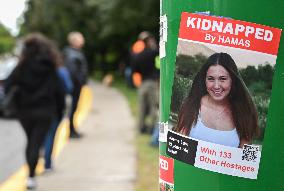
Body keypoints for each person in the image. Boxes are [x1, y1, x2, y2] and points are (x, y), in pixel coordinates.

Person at [4, 33, 64, 190]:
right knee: (36, 143)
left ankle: (31, 176)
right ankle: (31, 175)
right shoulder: (50, 66)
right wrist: (60, 111)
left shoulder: (21, 66)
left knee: (31, 141)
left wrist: (19, 95)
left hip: (25, 111)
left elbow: (8, 85)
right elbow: (59, 91)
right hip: (45, 111)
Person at [175, 52, 259, 148]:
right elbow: (179, 149)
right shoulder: (191, 106)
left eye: (222, 79)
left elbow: (245, 159)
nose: (216, 86)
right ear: (204, 80)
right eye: (211, 79)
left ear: (233, 80)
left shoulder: (244, 114)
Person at [43, 64, 73, 172]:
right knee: (50, 136)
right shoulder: (60, 71)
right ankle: (47, 163)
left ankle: (39, 155)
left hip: (35, 109)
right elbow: (68, 88)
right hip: (53, 108)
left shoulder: (29, 68)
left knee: (38, 135)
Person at [132, 31, 159, 134]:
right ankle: (151, 128)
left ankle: (141, 127)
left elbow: (135, 70)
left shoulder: (138, 55)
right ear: (149, 41)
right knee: (153, 106)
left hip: (142, 84)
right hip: (152, 83)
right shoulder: (153, 52)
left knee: (142, 107)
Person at [63, 31, 88, 138]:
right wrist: (80, 82)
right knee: (72, 108)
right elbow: (73, 72)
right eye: (81, 38)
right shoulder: (72, 54)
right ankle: (71, 131)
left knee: (73, 108)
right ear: (74, 41)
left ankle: (72, 129)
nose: (83, 40)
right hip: (75, 87)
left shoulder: (73, 52)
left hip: (75, 86)